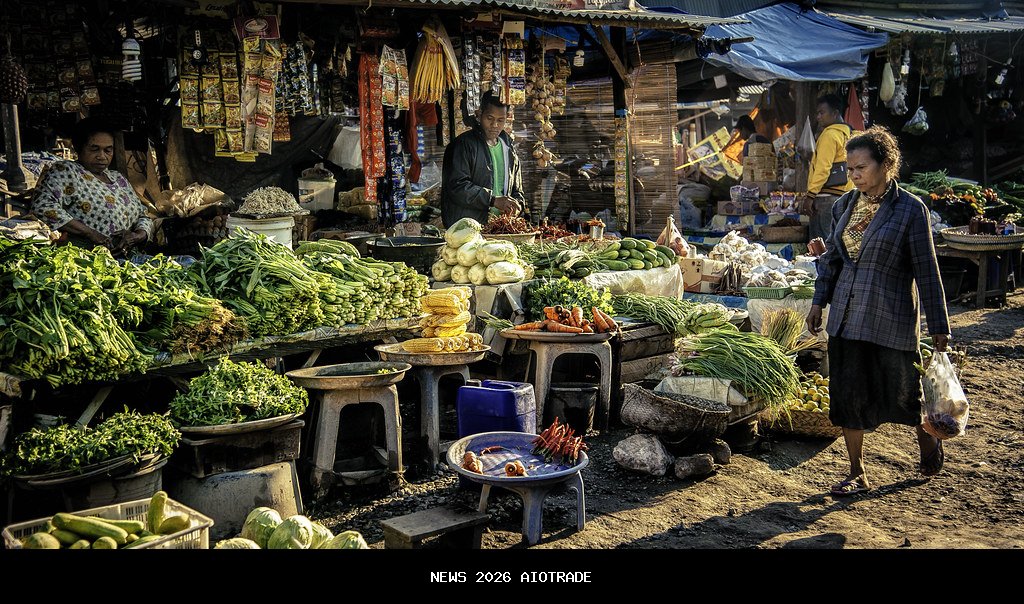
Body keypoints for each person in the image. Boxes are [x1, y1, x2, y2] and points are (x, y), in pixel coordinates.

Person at [805, 126, 951, 497]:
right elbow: (833, 261)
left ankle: (927, 442)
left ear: (886, 164)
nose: (853, 175)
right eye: (849, 168)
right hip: (847, 316)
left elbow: (927, 269)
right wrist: (818, 302)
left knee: (904, 394)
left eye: (861, 167)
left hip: (891, 316)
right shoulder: (843, 206)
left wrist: (938, 325)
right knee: (847, 395)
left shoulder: (910, 210)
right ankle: (857, 471)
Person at [33, 117, 153, 252]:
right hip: (83, 259)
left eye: (108, 150)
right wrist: (91, 233)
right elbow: (43, 205)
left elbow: (143, 215)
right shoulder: (66, 171)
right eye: (94, 149)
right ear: (78, 148)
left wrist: (137, 235)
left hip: (126, 259)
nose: (102, 156)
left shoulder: (119, 179)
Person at [441, 92, 525, 227]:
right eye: (490, 118)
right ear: (479, 114)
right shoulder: (462, 145)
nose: (495, 125)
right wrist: (492, 200)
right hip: (467, 230)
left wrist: (518, 205)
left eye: (500, 120)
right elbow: (457, 186)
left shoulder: (509, 148)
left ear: (506, 118)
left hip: (499, 228)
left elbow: (517, 189)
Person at [800, 94, 856, 241]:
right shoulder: (851, 134)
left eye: (821, 112)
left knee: (821, 245)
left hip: (826, 199)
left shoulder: (829, 135)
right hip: (845, 195)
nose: (818, 117)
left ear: (835, 113)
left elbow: (823, 168)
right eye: (817, 113)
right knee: (837, 242)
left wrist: (810, 196)